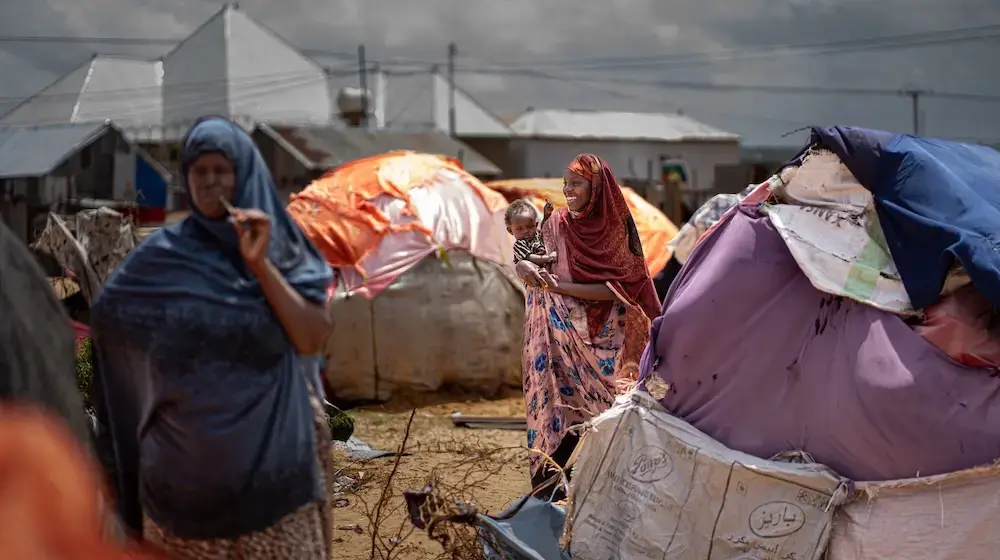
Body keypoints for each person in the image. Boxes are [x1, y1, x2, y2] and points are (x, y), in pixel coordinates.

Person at [90, 116, 336, 559]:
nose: (209, 182)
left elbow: (311, 338)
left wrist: (260, 266)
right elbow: (111, 316)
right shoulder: (162, 257)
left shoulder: (281, 248)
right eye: (198, 171)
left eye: (221, 170)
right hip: (181, 500)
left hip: (275, 489)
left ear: (244, 174)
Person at [515, 154, 660, 493]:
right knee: (555, 403)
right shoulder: (556, 224)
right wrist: (523, 267)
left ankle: (593, 481)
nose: (568, 189)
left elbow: (621, 289)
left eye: (577, 183)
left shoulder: (616, 230)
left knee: (604, 409)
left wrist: (557, 286)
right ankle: (546, 485)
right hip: (554, 335)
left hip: (606, 337)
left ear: (597, 187)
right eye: (566, 182)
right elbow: (530, 260)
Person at [507, 198, 556, 268]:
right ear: (510, 231)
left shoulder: (537, 234)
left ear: (535, 225)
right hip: (538, 272)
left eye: (530, 227)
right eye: (519, 229)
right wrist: (548, 258)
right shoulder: (519, 245)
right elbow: (530, 258)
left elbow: (544, 228)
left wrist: (546, 215)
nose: (525, 231)